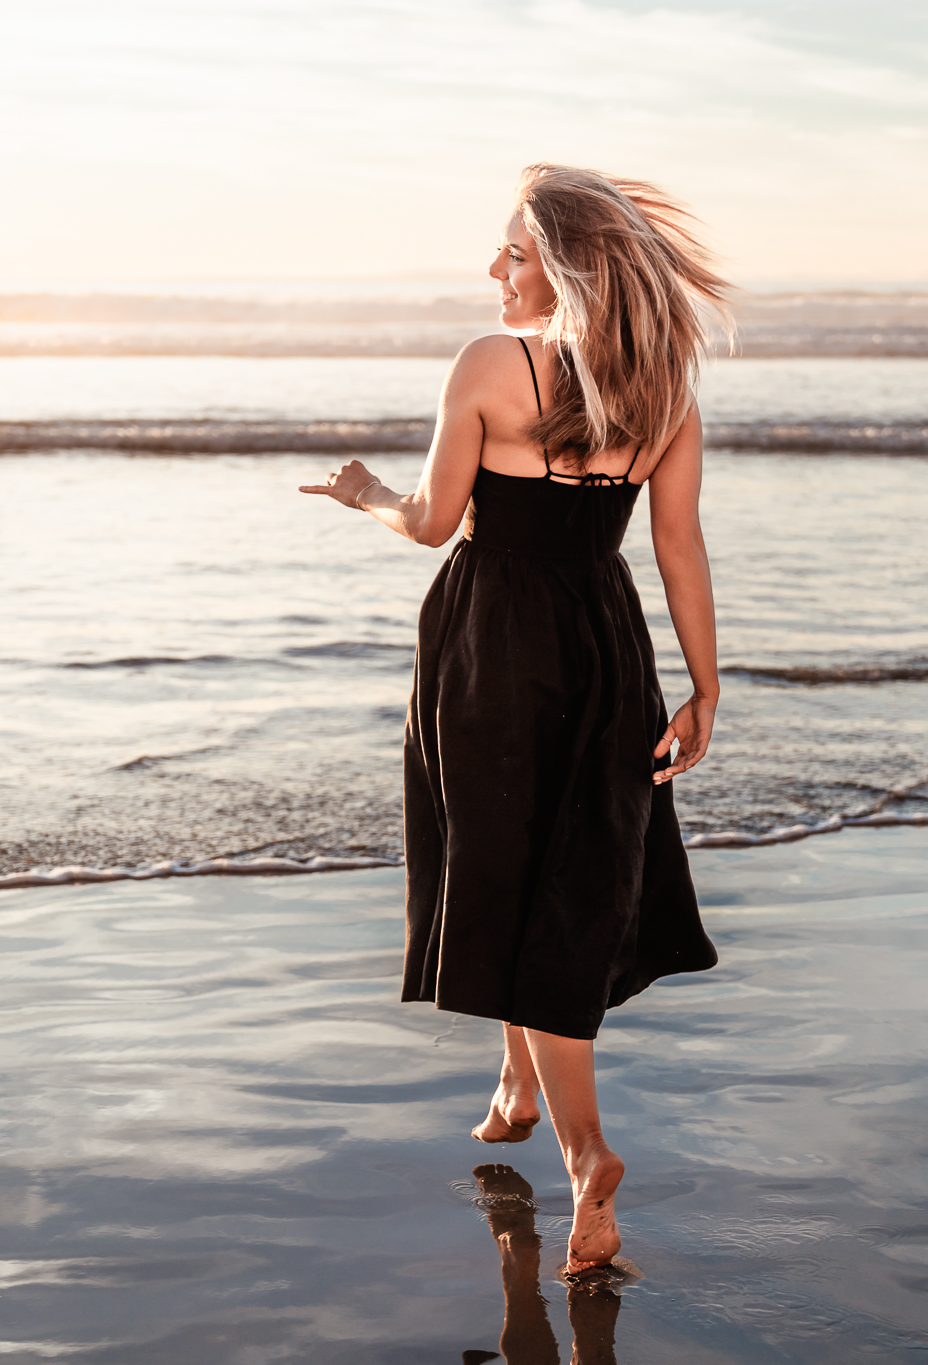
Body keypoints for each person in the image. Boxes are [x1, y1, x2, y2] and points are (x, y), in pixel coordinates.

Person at [300, 163, 725, 1277]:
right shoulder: (665, 387)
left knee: (504, 875)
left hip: (489, 654)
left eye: (515, 253)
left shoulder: (491, 364)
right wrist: (705, 686)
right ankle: (515, 1083)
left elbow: (435, 523)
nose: (495, 270)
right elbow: (676, 546)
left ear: (569, 266)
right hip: (604, 647)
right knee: (560, 873)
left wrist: (363, 495)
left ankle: (588, 1156)